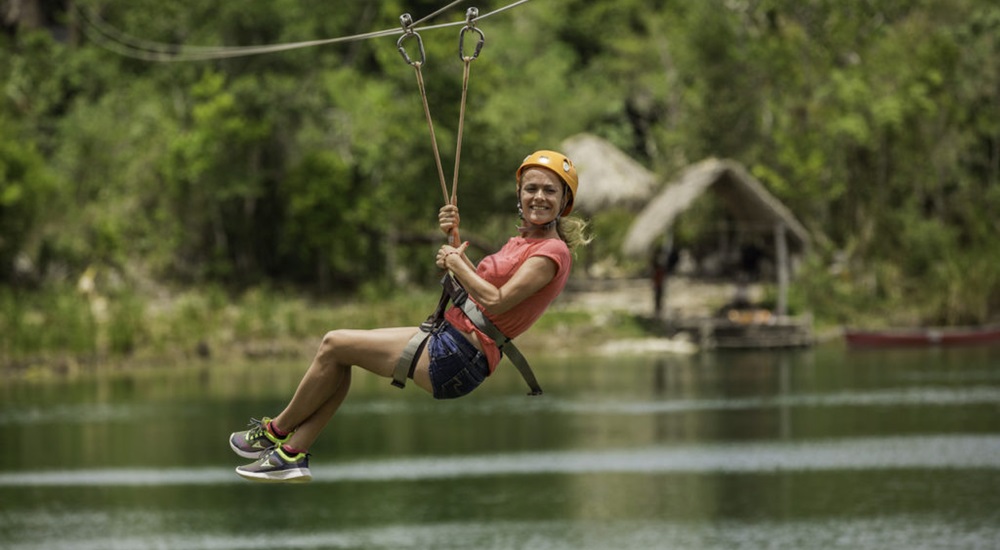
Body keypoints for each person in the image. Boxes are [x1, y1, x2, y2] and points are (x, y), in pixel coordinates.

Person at [228, 150, 591, 482]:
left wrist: (455, 264)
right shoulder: (522, 241)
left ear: (564, 202)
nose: (539, 197)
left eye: (549, 191)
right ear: (519, 195)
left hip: (459, 357)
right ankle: (292, 454)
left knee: (333, 343)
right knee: (337, 355)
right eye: (531, 189)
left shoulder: (551, 252)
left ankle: (276, 432)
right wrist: (455, 243)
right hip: (449, 340)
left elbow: (496, 301)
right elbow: (477, 286)